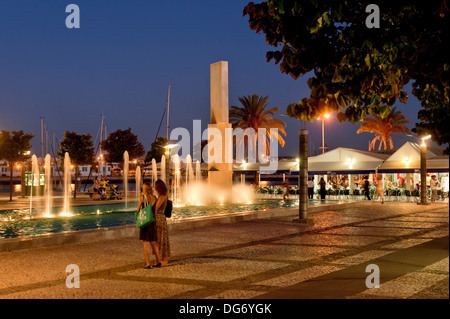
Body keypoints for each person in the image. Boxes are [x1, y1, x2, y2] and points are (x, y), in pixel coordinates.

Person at [137, 182, 161, 269]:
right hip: (152, 221)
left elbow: (138, 209)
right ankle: (158, 261)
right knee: (153, 242)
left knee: (145, 243)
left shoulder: (143, 197)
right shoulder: (154, 198)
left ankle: (148, 263)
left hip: (145, 222)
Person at [154, 179, 171, 266]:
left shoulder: (161, 197)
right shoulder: (164, 196)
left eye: (155, 186)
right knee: (162, 238)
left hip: (159, 218)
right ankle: (162, 257)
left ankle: (163, 258)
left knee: (160, 238)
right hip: (162, 218)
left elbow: (156, 208)